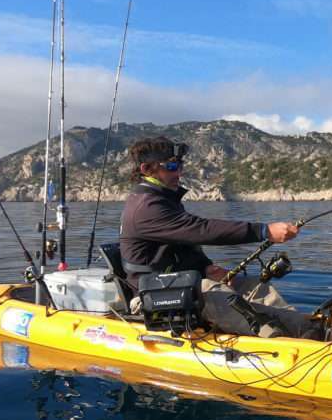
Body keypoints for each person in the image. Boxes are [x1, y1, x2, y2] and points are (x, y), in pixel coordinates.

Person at [119, 136, 312, 337]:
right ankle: (276, 340)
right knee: (211, 291)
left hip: (180, 282)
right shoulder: (146, 207)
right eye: (171, 166)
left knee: (252, 285)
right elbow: (200, 229)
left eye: (180, 165)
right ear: (146, 169)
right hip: (152, 296)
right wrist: (264, 231)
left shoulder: (164, 199)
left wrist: (206, 267)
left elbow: (182, 244)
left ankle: (306, 330)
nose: (179, 172)